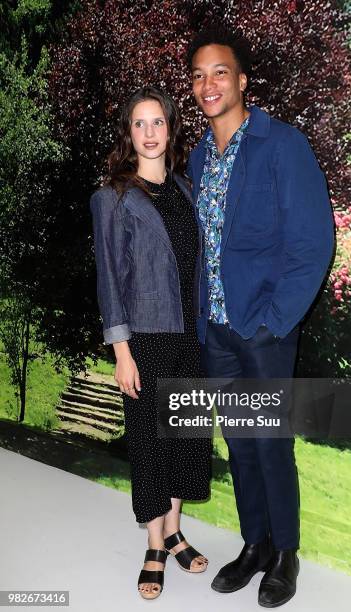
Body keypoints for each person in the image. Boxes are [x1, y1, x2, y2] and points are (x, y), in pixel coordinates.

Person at [186, 27, 335, 608]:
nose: (208, 83)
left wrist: (276, 320)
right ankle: (255, 545)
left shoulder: (281, 145)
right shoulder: (200, 156)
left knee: (271, 442)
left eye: (220, 71)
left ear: (242, 80)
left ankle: (286, 555)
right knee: (240, 443)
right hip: (217, 330)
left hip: (264, 330)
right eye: (198, 74)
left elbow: (312, 244)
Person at [89, 86, 212, 600]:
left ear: (170, 127)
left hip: (191, 338)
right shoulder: (112, 196)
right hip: (145, 340)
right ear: (128, 133)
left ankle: (177, 528)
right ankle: (156, 545)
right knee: (152, 445)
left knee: (186, 440)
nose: (149, 132)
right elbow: (109, 279)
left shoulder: (186, 188)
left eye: (157, 122)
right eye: (139, 124)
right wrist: (121, 351)